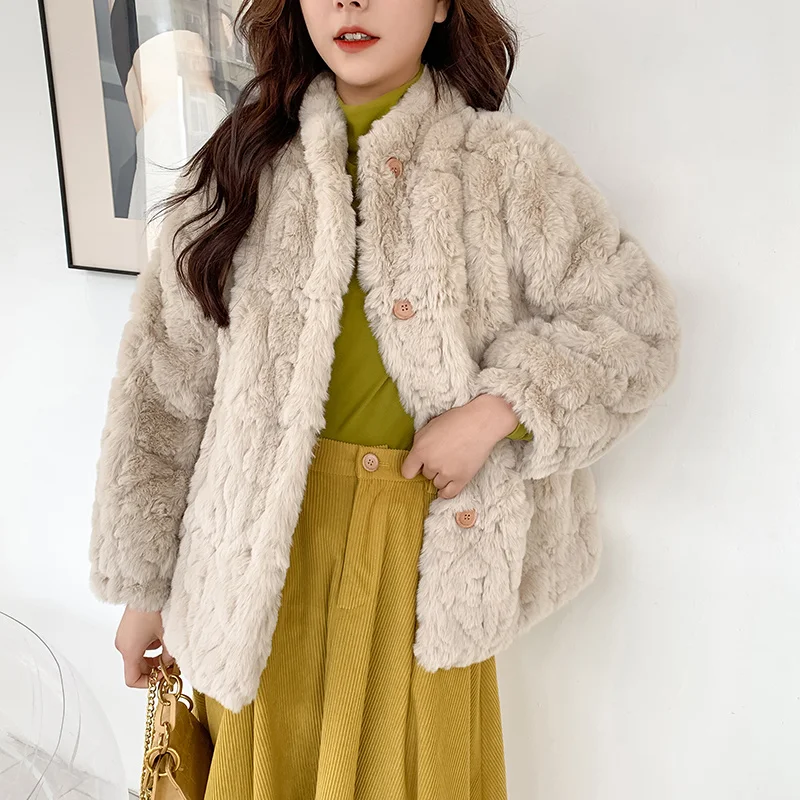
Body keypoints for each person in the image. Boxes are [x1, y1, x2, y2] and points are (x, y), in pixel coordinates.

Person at [89, 0, 682, 798]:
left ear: (441, 5)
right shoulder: (238, 167)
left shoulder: (507, 168)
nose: (350, 4)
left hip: (425, 564)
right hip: (260, 565)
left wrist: (496, 411)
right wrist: (142, 589)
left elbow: (635, 326)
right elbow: (162, 394)